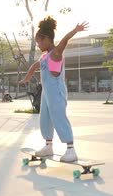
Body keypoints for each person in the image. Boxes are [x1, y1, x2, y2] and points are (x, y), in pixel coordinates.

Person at [19, 16, 89, 162]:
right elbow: (34, 66)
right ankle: (48, 146)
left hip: (56, 92)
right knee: (44, 118)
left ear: (46, 39)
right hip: (46, 93)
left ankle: (71, 150)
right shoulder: (44, 57)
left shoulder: (56, 54)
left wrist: (75, 30)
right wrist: (26, 78)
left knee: (59, 118)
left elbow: (64, 40)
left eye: (39, 41)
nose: (38, 45)